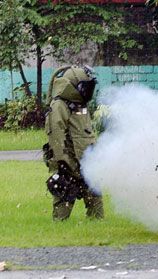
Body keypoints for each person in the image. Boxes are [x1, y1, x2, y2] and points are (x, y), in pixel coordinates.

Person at [43, 65, 104, 221]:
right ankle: (60, 233)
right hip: (68, 164)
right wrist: (63, 163)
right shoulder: (59, 105)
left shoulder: (80, 106)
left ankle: (96, 226)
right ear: (73, 86)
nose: (88, 91)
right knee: (63, 207)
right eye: (85, 87)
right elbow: (56, 137)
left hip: (87, 162)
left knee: (96, 205)